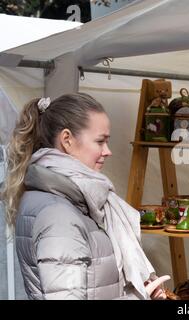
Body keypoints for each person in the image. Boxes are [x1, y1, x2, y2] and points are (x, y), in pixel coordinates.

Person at [2, 93, 170, 300]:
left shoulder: (69, 201)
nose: (107, 151)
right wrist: (139, 297)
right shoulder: (58, 216)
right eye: (100, 141)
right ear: (67, 140)